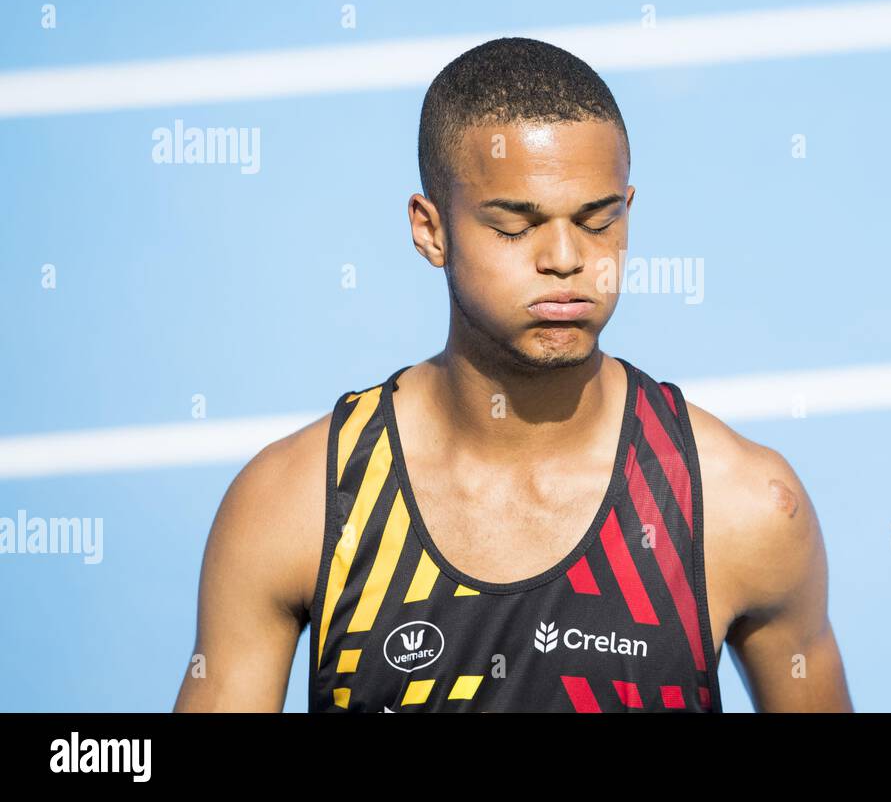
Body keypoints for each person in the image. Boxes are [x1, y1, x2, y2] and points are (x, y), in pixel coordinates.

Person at [173, 37, 852, 712]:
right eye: (514, 226)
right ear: (430, 230)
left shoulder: (743, 509)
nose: (565, 258)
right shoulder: (295, 507)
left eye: (597, 221)